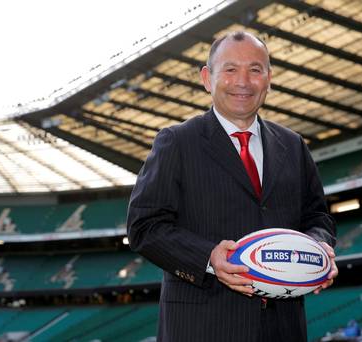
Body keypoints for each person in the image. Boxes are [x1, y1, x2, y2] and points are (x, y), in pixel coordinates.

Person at [127, 31, 337, 342]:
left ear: (268, 79)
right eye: (230, 69)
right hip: (202, 328)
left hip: (283, 328)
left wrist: (317, 248)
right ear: (207, 78)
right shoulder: (177, 141)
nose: (243, 81)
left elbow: (317, 216)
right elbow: (144, 226)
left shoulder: (293, 145)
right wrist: (208, 257)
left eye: (255, 70)